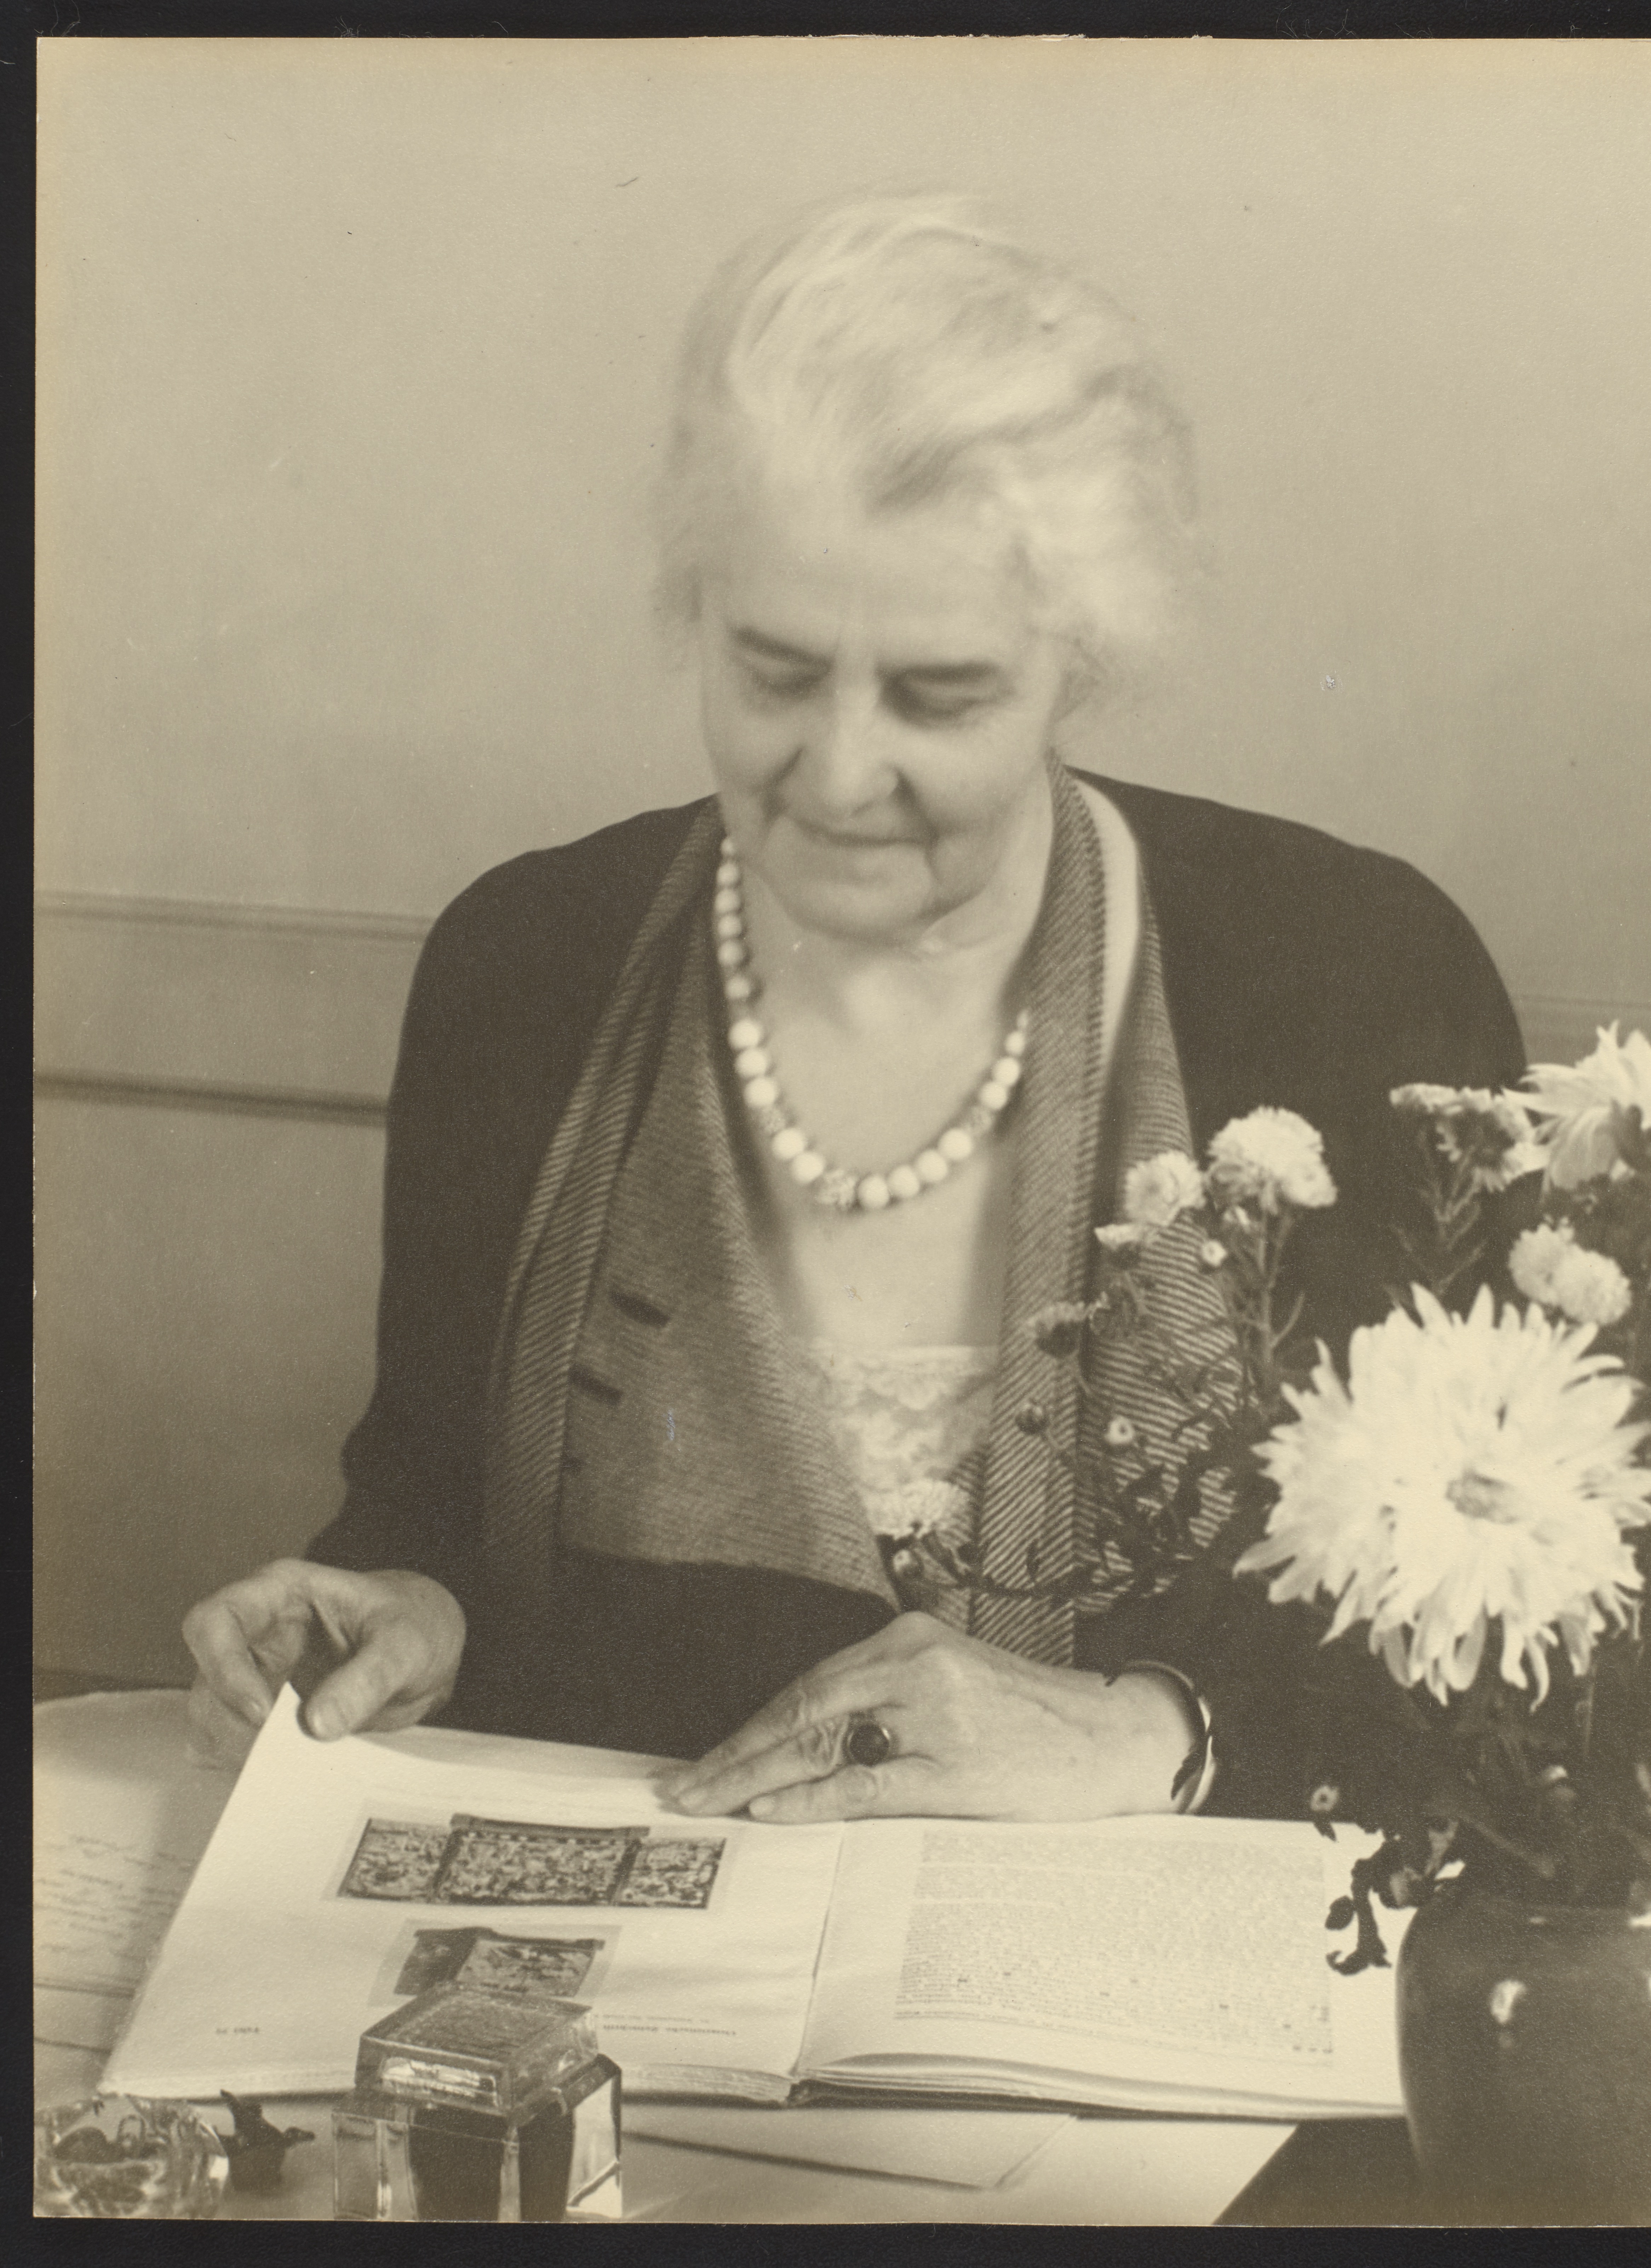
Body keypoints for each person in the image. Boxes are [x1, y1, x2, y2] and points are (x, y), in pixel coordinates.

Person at [184, 194, 1523, 1823]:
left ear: (1078, 661)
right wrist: (410, 1613)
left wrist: (1147, 1730)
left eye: (937, 693)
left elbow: (1496, 1640)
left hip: (1139, 2010)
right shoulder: (524, 966)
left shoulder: (1354, 982)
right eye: (772, 668)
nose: (833, 772)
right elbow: (431, 1503)